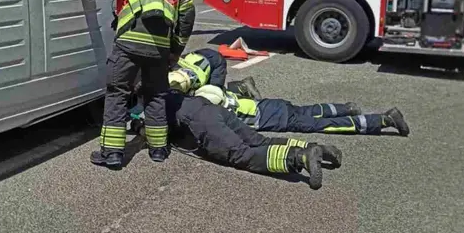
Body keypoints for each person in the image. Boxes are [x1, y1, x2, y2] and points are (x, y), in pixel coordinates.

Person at [79, 0, 195, 167]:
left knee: (117, 92)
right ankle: (159, 150)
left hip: (129, 43)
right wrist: (176, 50)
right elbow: (187, 18)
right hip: (160, 49)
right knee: (156, 96)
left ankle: (112, 153)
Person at [123, 90, 343, 190]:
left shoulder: (143, 110)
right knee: (260, 140)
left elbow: (152, 135)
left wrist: (140, 129)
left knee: (242, 155)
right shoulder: (160, 86)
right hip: (210, 108)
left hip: (201, 123)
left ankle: (299, 158)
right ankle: (316, 148)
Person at [194, 85, 410, 137]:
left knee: (325, 126)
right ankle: (347, 107)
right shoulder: (225, 95)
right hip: (273, 104)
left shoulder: (223, 113)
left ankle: (383, 120)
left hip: (280, 119)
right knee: (310, 110)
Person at [166, 48, 261, 99]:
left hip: (216, 63)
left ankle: (243, 86)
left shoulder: (190, 84)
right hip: (199, 56)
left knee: (214, 98)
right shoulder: (171, 71)